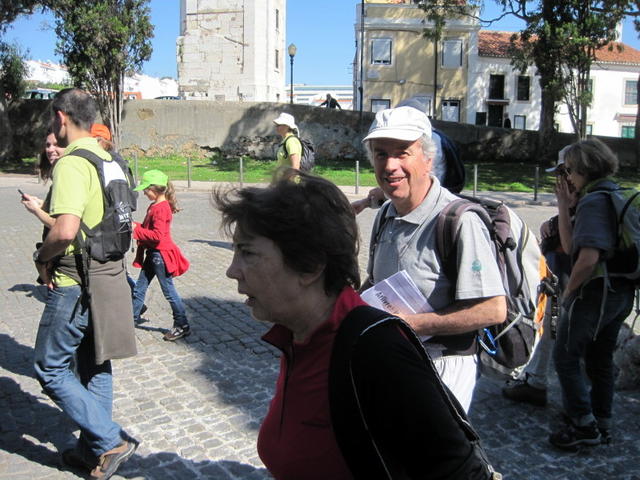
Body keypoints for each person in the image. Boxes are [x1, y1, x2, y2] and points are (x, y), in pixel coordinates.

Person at [214, 169, 497, 480]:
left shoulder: (376, 350)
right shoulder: (298, 334)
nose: (232, 271)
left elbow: (460, 471)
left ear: (309, 266)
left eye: (247, 252)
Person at [362, 106, 506, 412]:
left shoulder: (459, 221)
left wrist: (411, 324)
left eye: (402, 153)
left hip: (444, 367)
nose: (390, 165)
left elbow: (493, 310)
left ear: (428, 158)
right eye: (380, 154)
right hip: (393, 358)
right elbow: (374, 283)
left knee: (430, 458)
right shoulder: (386, 214)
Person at [32, 88, 138, 479]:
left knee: (50, 366)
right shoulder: (110, 156)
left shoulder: (73, 163)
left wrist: (42, 258)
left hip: (75, 280)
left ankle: (111, 439)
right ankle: (94, 451)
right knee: (94, 363)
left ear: (61, 117)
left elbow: (65, 230)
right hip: (108, 274)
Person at [549, 139, 635, 450]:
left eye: (568, 170)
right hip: (622, 292)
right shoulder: (614, 193)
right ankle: (603, 421)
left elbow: (583, 256)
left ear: (583, 168)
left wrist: (569, 295)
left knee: (565, 356)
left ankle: (583, 424)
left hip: (595, 294)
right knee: (600, 358)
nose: (567, 178)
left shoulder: (594, 202)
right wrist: (567, 205)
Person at [502, 146, 574, 407]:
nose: (559, 180)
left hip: (565, 279)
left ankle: (538, 383)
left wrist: (558, 217)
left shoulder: (582, 199)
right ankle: (536, 379)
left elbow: (571, 245)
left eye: (563, 172)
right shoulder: (586, 197)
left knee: (548, 331)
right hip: (561, 275)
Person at [131, 169, 190, 341]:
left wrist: (136, 230)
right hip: (153, 254)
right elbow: (149, 230)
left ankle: (182, 324)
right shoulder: (155, 206)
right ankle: (131, 320)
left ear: (154, 189)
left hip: (160, 256)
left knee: (169, 292)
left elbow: (157, 236)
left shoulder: (161, 209)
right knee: (139, 288)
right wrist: (135, 225)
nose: (144, 192)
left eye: (146, 189)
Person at [21, 130, 64, 233]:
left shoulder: (67, 176)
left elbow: (61, 227)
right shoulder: (57, 174)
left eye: (56, 144)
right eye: (48, 145)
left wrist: (36, 210)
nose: (50, 149)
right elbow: (58, 210)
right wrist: (41, 204)